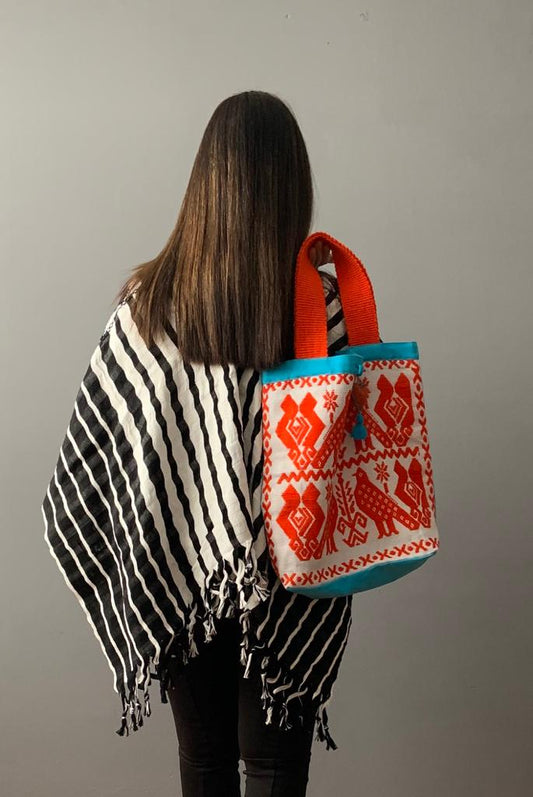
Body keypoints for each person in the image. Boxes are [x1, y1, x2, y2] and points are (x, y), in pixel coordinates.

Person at [43, 90, 354, 797]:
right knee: (275, 765)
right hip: (294, 575)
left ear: (205, 185)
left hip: (180, 569)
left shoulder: (149, 306)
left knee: (206, 759)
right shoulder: (318, 304)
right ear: (291, 184)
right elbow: (346, 454)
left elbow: (91, 462)